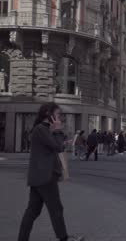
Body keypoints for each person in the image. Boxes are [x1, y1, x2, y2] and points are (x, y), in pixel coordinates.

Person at [18, 102, 83, 241]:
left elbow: (53, 146)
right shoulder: (42, 129)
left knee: (33, 211)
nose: (60, 118)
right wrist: (58, 131)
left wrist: (57, 135)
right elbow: (57, 147)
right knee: (56, 210)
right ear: (49, 114)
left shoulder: (42, 129)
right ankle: (64, 238)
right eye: (58, 114)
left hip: (39, 177)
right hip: (45, 177)